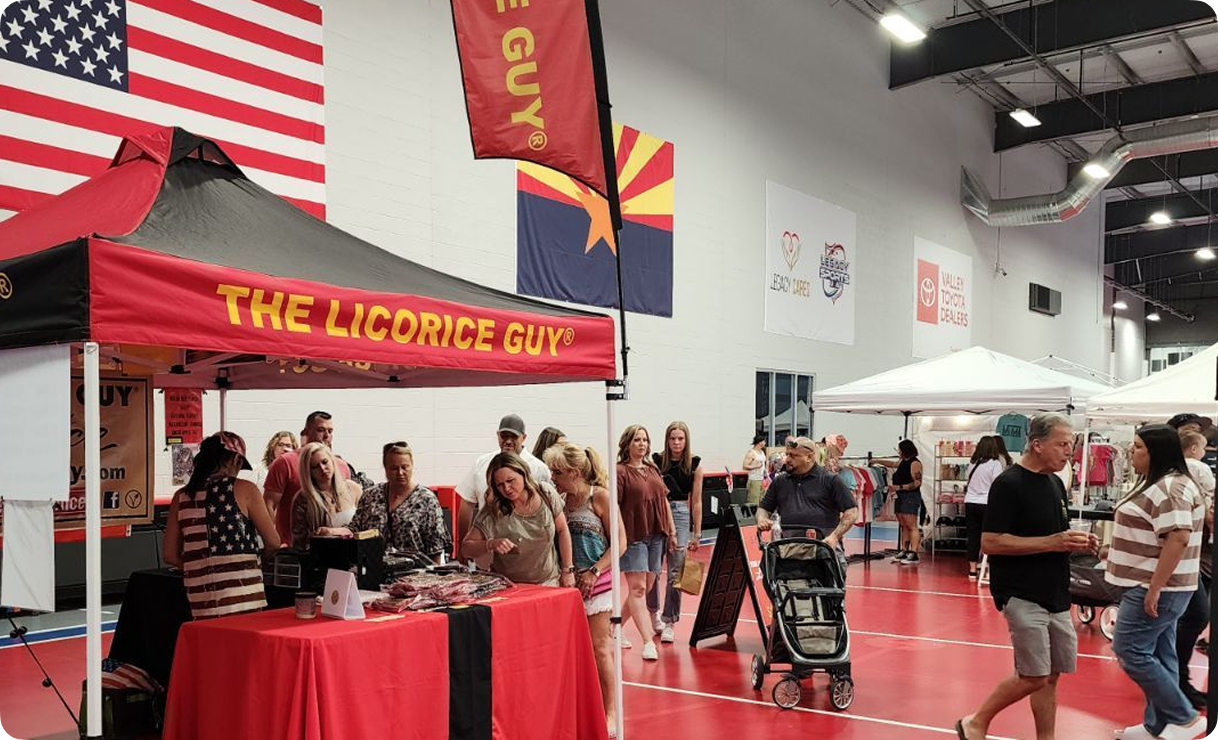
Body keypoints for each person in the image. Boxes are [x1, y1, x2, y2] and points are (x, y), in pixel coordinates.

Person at [956, 413, 1099, 740]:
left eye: (1071, 444)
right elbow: (990, 542)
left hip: (1056, 593)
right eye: (1062, 444)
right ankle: (976, 721)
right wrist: (1053, 542)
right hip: (1022, 593)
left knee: (1051, 675)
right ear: (1037, 444)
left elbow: (1054, 535)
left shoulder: (1055, 483)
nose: (1069, 451)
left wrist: (1076, 542)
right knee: (1034, 675)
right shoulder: (1008, 484)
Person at [1104, 424, 1206, 740]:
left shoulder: (1170, 487)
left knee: (1130, 649)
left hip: (1155, 586)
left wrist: (1155, 587)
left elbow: (1177, 537)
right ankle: (1157, 726)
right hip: (1153, 583)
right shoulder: (1163, 484)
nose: (1131, 453)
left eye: (1137, 448)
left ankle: (1184, 717)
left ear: (1155, 452)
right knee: (1162, 654)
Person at [543, 442, 627, 736]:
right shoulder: (560, 500)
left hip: (597, 583)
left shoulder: (600, 497)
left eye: (557, 472)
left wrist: (594, 571)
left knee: (600, 648)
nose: (553, 477)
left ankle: (611, 711)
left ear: (574, 472)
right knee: (573, 652)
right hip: (566, 585)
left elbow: (620, 543)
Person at [163, 432, 281, 620]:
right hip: (244, 597)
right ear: (236, 459)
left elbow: (169, 554)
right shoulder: (245, 489)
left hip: (200, 598)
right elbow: (273, 542)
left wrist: (197, 566)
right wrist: (260, 562)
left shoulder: (181, 496)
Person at [460, 453, 576, 587]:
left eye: (510, 481)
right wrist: (491, 544)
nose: (507, 489)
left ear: (523, 474)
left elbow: (562, 529)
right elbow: (466, 548)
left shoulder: (546, 493)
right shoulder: (493, 509)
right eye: (500, 485)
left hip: (548, 582)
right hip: (510, 586)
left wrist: (568, 570)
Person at [616, 424, 677, 661]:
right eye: (637, 440)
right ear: (627, 444)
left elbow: (663, 501)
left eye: (645, 440)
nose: (642, 444)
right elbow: (616, 507)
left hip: (656, 534)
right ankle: (647, 641)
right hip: (633, 535)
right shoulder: (621, 471)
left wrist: (671, 532)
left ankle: (616, 626)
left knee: (647, 586)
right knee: (638, 588)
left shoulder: (652, 469)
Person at [756, 437, 858, 575]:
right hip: (789, 550)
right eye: (787, 454)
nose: (787, 459)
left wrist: (834, 537)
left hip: (823, 549)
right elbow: (764, 508)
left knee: (829, 593)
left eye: (793, 455)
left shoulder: (830, 480)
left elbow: (852, 511)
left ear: (809, 457)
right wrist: (762, 519)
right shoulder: (780, 482)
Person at [336, 442, 451, 562]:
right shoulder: (370, 496)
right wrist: (331, 531)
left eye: (405, 467)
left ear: (412, 466)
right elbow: (354, 528)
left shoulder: (426, 499)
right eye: (394, 468)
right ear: (385, 468)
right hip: (373, 570)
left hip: (414, 573)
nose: (400, 473)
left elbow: (435, 547)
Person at [454, 414, 552, 546]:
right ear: (498, 435)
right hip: (487, 545)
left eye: (514, 437)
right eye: (504, 436)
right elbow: (467, 503)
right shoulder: (482, 463)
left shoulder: (538, 468)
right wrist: (462, 544)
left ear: (524, 437)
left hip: (528, 547)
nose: (508, 441)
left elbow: (550, 513)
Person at [646, 421, 703, 643]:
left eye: (680, 438)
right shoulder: (657, 462)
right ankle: (653, 613)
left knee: (675, 571)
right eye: (672, 438)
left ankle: (670, 620)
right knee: (652, 568)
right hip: (658, 510)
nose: (676, 443)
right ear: (667, 440)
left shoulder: (695, 465)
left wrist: (696, 533)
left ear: (686, 440)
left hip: (680, 512)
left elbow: (696, 501)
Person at [263, 411, 352, 546]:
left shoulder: (341, 466)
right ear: (306, 432)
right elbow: (268, 505)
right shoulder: (285, 462)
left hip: (341, 551)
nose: (327, 435)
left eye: (330, 431)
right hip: (293, 547)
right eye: (320, 430)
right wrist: (274, 543)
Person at [1175, 430, 1214, 709]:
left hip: (1198, 556)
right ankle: (1175, 681)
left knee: (1195, 615)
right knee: (1195, 615)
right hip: (1191, 558)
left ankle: (1177, 680)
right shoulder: (1193, 471)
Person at [290, 442, 363, 551]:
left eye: (325, 462)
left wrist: (332, 532)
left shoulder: (353, 488)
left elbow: (367, 528)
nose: (322, 469)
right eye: (315, 467)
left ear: (332, 461)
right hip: (322, 560)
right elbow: (299, 542)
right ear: (308, 471)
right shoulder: (303, 499)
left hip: (356, 558)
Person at [964, 435, 1012, 580]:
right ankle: (989, 570)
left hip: (970, 501)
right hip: (987, 503)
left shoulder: (973, 463)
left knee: (973, 536)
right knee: (990, 537)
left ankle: (972, 570)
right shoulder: (995, 464)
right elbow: (998, 484)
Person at [876, 440, 924, 565]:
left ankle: (914, 552)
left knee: (911, 525)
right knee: (903, 525)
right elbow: (892, 464)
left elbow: (917, 483)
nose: (898, 452)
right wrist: (877, 460)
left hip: (910, 496)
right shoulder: (903, 461)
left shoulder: (915, 463)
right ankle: (905, 549)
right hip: (900, 497)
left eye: (900, 449)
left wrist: (899, 487)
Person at [743, 434, 768, 505]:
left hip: (762, 479)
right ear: (760, 442)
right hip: (754, 479)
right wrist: (755, 466)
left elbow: (763, 463)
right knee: (754, 501)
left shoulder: (762, 452)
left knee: (762, 500)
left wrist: (765, 470)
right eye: (764, 441)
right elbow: (745, 466)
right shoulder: (751, 453)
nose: (765, 443)